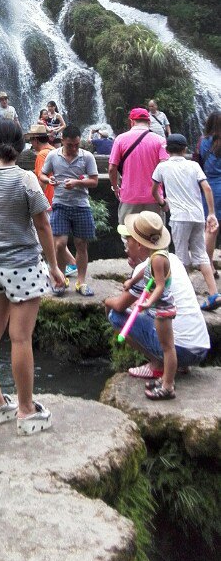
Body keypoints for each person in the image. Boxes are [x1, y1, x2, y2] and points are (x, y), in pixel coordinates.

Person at [0, 121, 64, 434]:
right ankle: (26, 410)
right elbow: (43, 225)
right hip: (23, 266)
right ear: (21, 145)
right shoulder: (26, 179)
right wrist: (54, 267)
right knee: (21, 337)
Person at [106, 214, 210, 385]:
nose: (126, 247)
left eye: (128, 242)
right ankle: (177, 366)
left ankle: (158, 365)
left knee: (115, 316)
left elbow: (118, 306)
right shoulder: (173, 259)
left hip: (181, 349)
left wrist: (106, 302)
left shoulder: (146, 267)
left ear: (139, 244)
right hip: (200, 348)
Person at [151, 134, 220, 311]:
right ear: (185, 149)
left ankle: (185, 298)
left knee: (181, 258)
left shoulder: (162, 167)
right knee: (202, 255)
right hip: (197, 216)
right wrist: (211, 213)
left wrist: (162, 202)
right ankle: (213, 294)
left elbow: (154, 190)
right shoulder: (194, 165)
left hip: (179, 218)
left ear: (166, 150)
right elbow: (207, 188)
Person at [40, 125, 99, 296]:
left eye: (76, 145)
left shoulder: (87, 157)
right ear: (62, 141)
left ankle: (81, 282)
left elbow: (94, 181)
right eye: (69, 145)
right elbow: (42, 175)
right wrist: (48, 179)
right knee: (59, 244)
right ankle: (61, 278)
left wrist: (77, 183)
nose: (73, 148)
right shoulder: (53, 155)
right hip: (60, 204)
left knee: (81, 244)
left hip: (81, 205)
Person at [28, 123, 77, 283]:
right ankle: (66, 264)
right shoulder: (52, 151)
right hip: (56, 198)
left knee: (54, 238)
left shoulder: (43, 154)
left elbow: (41, 181)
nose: (30, 143)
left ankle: (71, 263)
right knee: (55, 236)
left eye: (31, 140)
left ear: (35, 139)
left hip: (48, 201)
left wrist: (35, 200)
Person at [108, 107, 167, 224]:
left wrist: (115, 188)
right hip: (154, 198)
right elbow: (165, 169)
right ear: (149, 122)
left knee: (128, 236)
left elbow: (111, 168)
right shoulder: (160, 140)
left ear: (131, 122)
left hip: (129, 196)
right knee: (154, 238)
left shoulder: (120, 139)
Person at [198, 111, 221, 277]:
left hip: (208, 187)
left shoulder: (202, 141)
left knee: (211, 228)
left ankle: (209, 266)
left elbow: (197, 163)